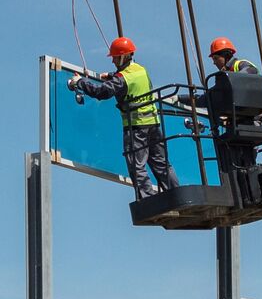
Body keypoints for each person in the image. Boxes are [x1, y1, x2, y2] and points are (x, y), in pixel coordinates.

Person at [67, 36, 180, 200]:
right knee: (162, 164)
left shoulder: (122, 79)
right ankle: (175, 195)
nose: (112, 61)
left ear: (122, 56)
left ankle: (147, 198)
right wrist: (113, 76)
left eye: (114, 57)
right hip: (154, 125)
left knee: (137, 165)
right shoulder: (141, 70)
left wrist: (79, 82)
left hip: (136, 127)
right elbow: (128, 80)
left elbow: (102, 92)